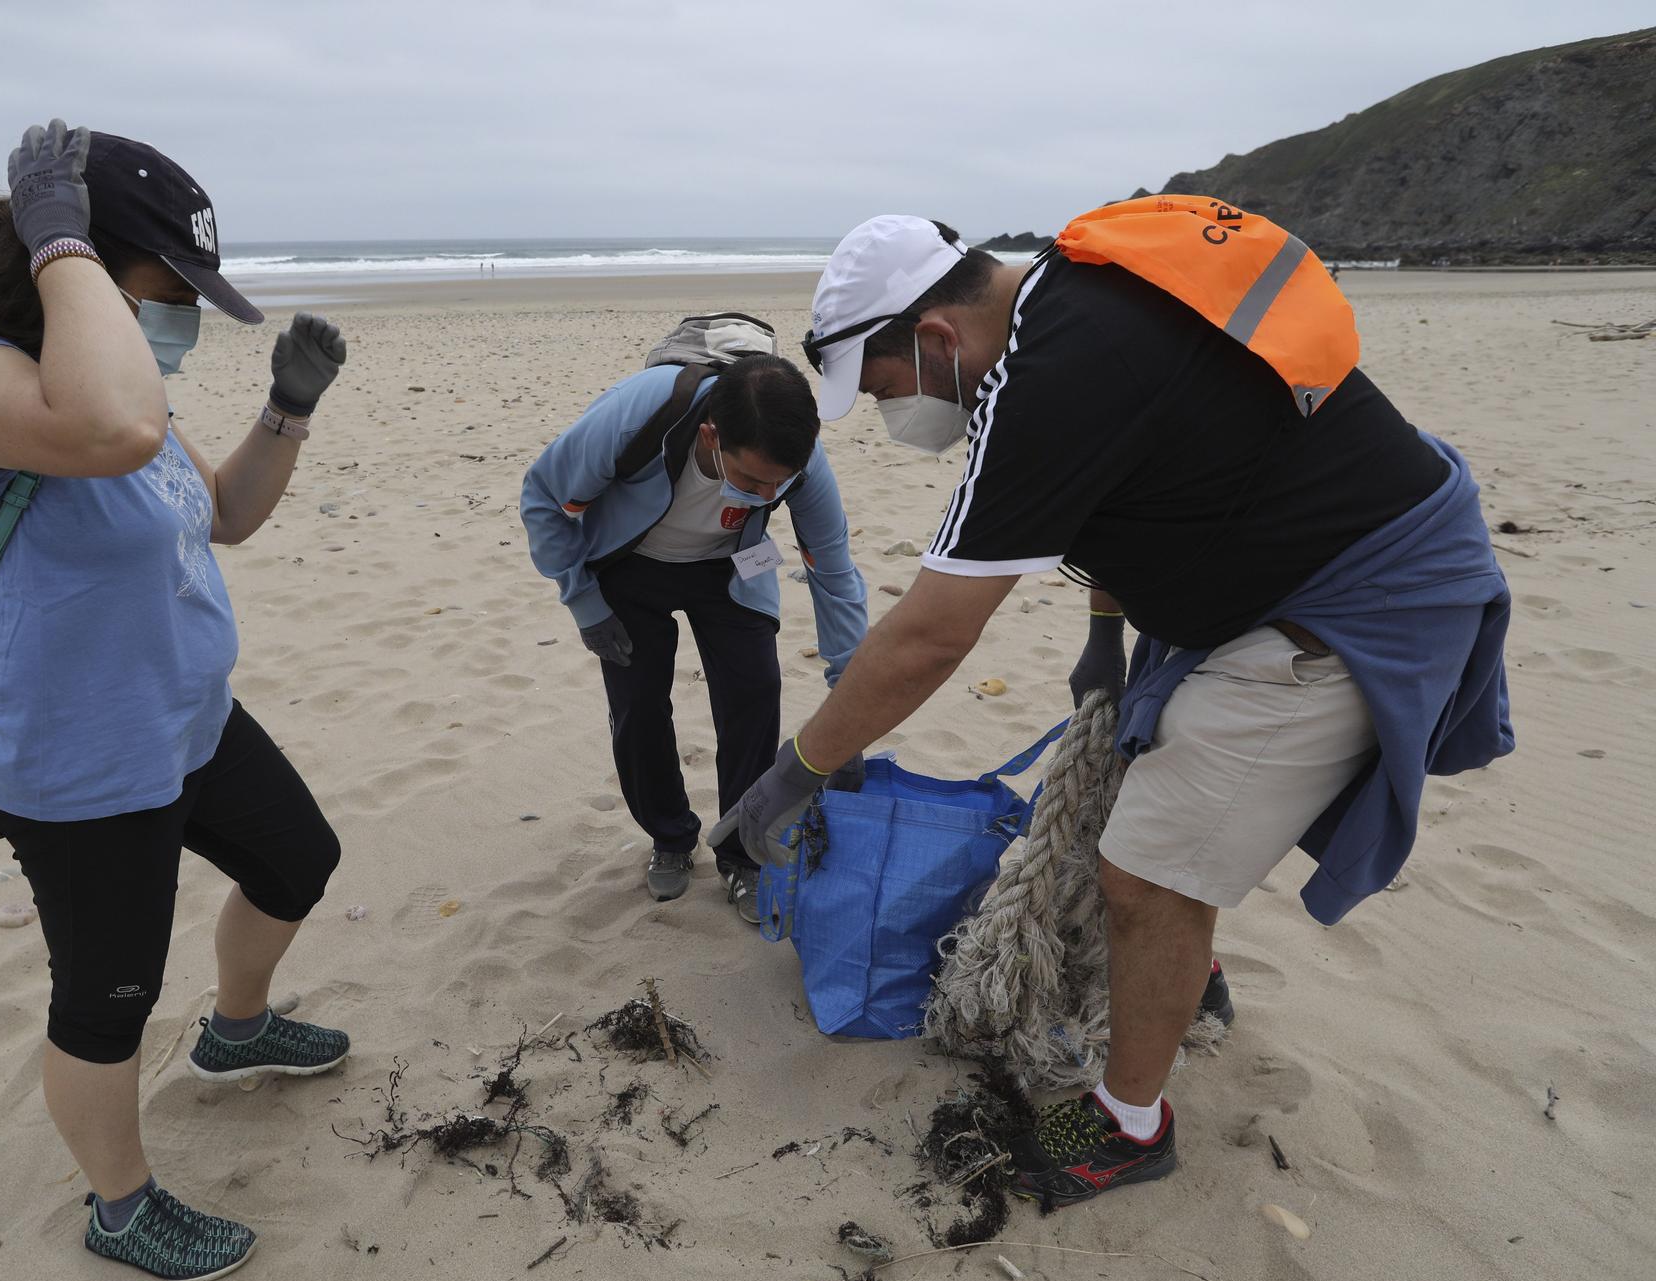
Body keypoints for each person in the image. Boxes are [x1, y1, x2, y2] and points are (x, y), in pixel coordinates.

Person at [715, 209, 1512, 1206]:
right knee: (1143, 819)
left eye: (881, 391)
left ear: (931, 338)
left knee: (1143, 871)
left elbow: (927, 634)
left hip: (1347, 601)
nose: (890, 416)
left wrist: (790, 777)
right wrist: (1105, 633)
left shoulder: (1047, 379)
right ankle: (1183, 984)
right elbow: (1129, 489)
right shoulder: (1072, 307)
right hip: (1270, 579)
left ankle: (1127, 1125)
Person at [0, 120, 354, 1281]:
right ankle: (120, 1205)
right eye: (168, 287)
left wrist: (287, 408)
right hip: (77, 763)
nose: (181, 314)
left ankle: (237, 1030)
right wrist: (58, 237)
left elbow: (225, 513)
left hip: (184, 719)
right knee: (107, 999)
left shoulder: (113, 375)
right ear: (74, 262)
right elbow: (110, 426)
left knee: (298, 859)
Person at [521, 353, 869, 917]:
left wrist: (849, 685)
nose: (765, 494)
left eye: (777, 485)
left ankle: (743, 854)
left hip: (737, 565)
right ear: (710, 436)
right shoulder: (638, 415)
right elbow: (544, 499)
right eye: (753, 480)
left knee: (755, 693)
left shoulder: (799, 463)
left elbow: (831, 567)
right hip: (631, 563)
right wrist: (585, 603)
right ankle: (671, 837)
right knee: (637, 707)